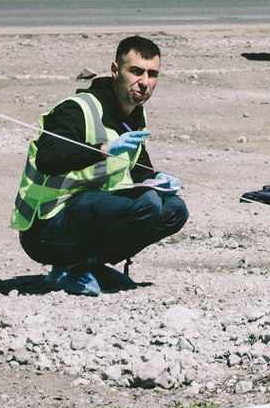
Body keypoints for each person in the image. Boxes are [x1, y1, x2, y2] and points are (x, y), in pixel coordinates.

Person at [11, 36, 189, 297]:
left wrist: (159, 178)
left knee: (174, 209)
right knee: (147, 203)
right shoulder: (77, 109)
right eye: (136, 71)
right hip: (45, 228)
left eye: (152, 74)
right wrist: (103, 150)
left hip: (87, 215)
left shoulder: (133, 115)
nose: (144, 82)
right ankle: (67, 268)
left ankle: (89, 265)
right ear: (116, 70)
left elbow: (139, 170)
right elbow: (48, 158)